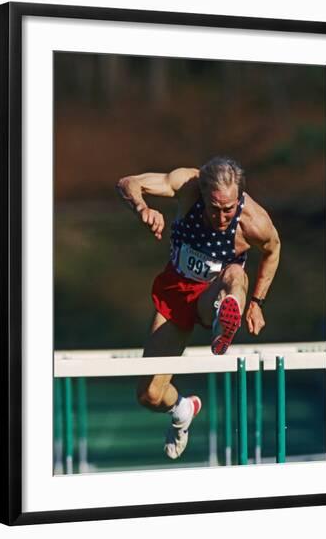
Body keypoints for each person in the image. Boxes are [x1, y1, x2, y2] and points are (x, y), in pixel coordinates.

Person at [116, 156, 281, 460]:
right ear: (203, 194)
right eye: (214, 208)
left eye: (228, 209)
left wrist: (257, 302)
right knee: (149, 394)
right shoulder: (188, 185)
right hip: (176, 292)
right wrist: (143, 208)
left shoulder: (254, 221)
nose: (221, 217)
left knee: (235, 276)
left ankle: (223, 319)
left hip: (213, 293)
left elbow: (273, 249)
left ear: (239, 199)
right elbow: (129, 182)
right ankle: (183, 408)